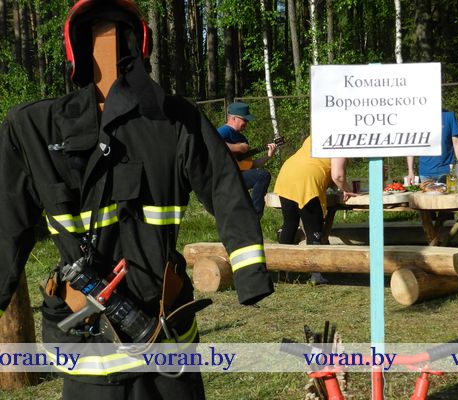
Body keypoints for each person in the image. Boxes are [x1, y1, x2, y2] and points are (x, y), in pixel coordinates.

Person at [0, 1, 273, 399]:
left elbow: (225, 190)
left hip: (161, 335)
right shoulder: (32, 129)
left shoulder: (176, 121)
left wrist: (249, 274)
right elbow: (7, 222)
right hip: (93, 340)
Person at [273, 136, 357, 284]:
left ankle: (282, 272)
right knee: (314, 228)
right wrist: (348, 189)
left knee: (290, 224)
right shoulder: (341, 139)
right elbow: (337, 175)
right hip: (307, 181)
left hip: (287, 174)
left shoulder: (318, 133)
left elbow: (321, 164)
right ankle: (316, 274)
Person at [217, 102, 278, 218]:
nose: (246, 123)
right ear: (233, 118)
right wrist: (238, 147)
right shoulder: (224, 131)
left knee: (262, 175)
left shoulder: (242, 138)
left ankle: (252, 217)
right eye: (244, 120)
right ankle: (254, 215)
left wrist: (268, 156)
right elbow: (212, 144)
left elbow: (250, 165)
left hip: (236, 177)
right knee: (263, 175)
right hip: (223, 177)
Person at [406, 110, 458, 184]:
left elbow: (456, 143)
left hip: (447, 172)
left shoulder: (449, 115)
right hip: (425, 174)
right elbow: (411, 146)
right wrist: (410, 171)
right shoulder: (417, 118)